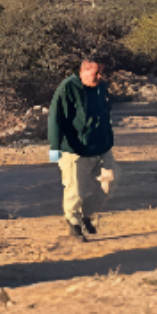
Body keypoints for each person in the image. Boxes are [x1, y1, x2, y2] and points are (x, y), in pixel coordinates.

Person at [48, 55, 115, 241]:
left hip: (100, 146)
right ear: (83, 71)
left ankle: (87, 214)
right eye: (96, 73)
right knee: (75, 189)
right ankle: (74, 223)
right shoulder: (68, 88)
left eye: (101, 72)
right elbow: (55, 117)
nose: (100, 77)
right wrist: (54, 148)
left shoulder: (101, 87)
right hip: (74, 148)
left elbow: (105, 113)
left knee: (109, 181)